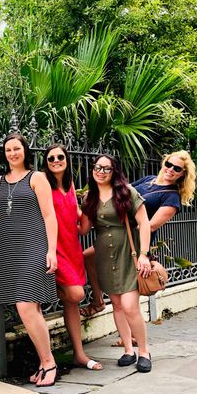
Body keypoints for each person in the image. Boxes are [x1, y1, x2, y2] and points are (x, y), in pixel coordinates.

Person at [80, 150, 197, 322]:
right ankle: (98, 301)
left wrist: (142, 252)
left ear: (182, 175)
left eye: (177, 169)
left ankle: (133, 336)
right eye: (168, 164)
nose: (171, 170)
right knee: (87, 257)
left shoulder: (172, 198)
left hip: (134, 242)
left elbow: (149, 226)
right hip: (116, 236)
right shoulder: (148, 179)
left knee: (128, 293)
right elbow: (121, 192)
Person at [0, 133, 60, 387]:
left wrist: (51, 250)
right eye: (8, 150)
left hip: (34, 245)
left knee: (26, 306)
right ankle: (43, 362)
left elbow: (49, 216)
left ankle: (50, 363)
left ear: (24, 151)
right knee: (30, 309)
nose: (12, 153)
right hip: (9, 249)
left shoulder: (37, 178)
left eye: (16, 148)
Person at [80, 154, 153, 373]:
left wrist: (143, 254)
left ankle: (144, 351)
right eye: (97, 167)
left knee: (131, 306)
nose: (100, 171)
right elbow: (82, 229)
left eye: (106, 168)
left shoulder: (126, 192)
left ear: (114, 172)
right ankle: (128, 350)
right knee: (118, 305)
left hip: (128, 254)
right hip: (104, 255)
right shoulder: (89, 198)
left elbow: (144, 223)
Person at [42, 144, 102, 371]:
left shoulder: (69, 185)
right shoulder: (45, 185)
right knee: (76, 293)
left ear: (66, 160)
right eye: (50, 158)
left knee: (72, 302)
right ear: (46, 163)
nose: (56, 160)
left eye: (60, 157)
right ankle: (43, 290)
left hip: (72, 247)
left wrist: (89, 209)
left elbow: (77, 216)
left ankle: (79, 354)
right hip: (55, 248)